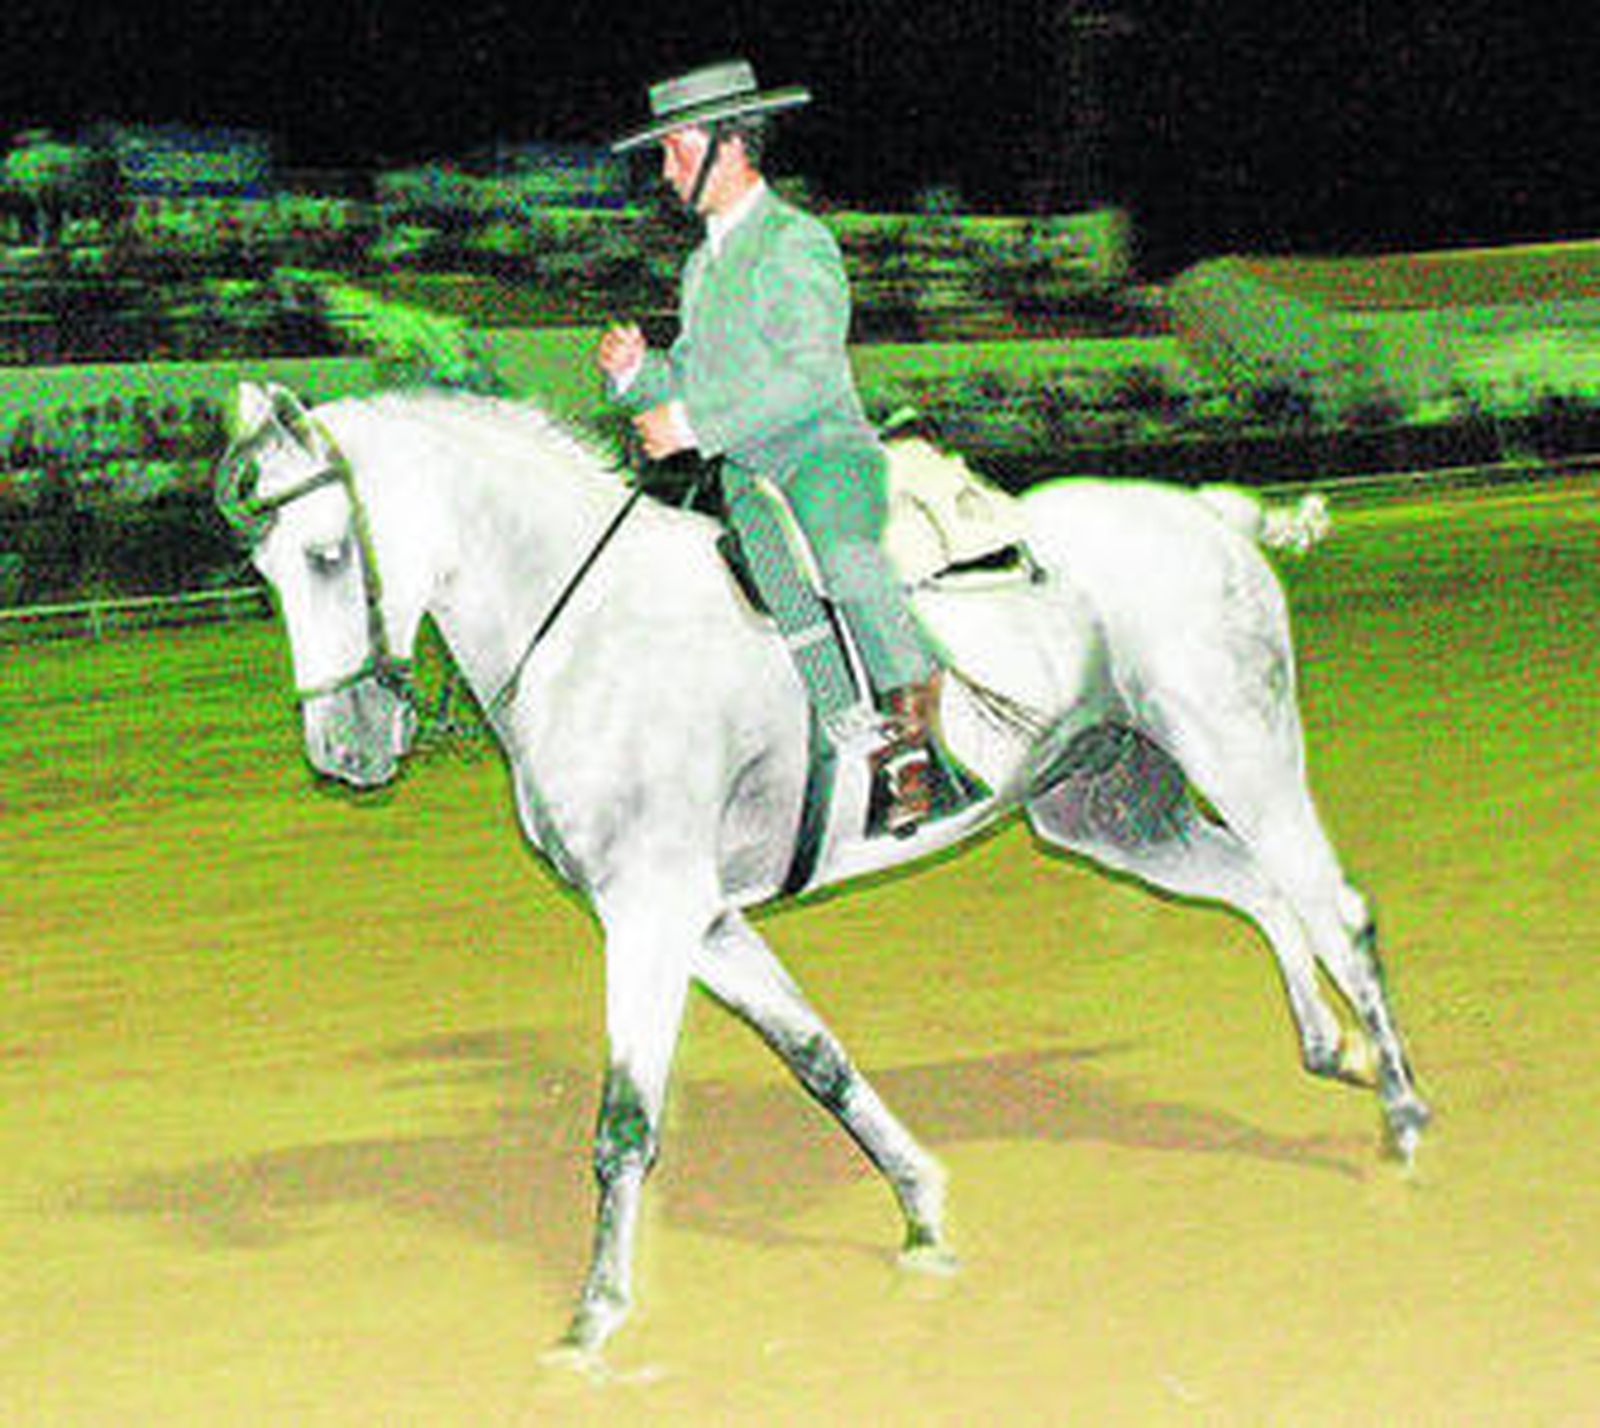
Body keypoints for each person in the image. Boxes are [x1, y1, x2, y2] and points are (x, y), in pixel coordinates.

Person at [598, 58, 941, 834]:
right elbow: (691, 375)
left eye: (674, 150)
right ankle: (819, 742)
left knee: (847, 562)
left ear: (729, 145)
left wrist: (691, 426)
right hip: (748, 475)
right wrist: (638, 375)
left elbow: (811, 375)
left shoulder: (796, 242)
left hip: (823, 457)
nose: (664, 169)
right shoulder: (700, 266)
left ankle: (912, 736)